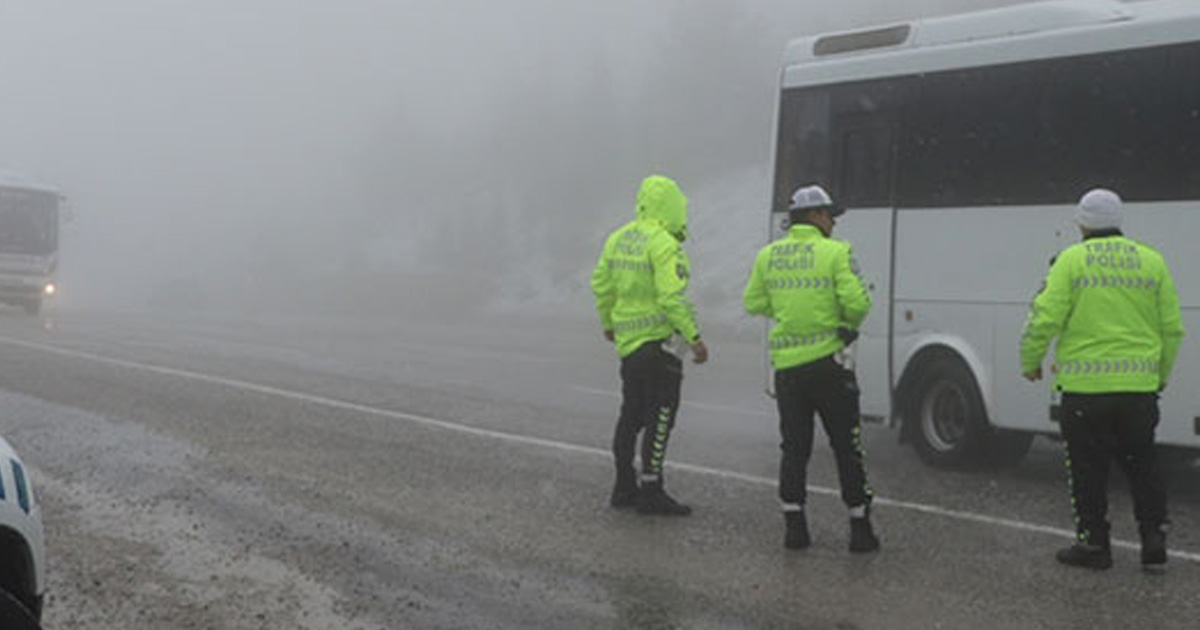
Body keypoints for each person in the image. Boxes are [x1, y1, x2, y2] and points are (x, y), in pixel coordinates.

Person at [1021, 188, 1185, 571]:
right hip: (1138, 393)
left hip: (1085, 394)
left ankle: (1094, 545)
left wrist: (1031, 361)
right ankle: (1153, 537)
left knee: (1087, 469)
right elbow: (1172, 329)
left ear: (1081, 222)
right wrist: (1159, 377)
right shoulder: (1152, 261)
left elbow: (1043, 318)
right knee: (1143, 463)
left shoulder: (1070, 261)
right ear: (1119, 220)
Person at [743, 184, 879, 552]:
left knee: (794, 449)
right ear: (816, 216)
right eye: (830, 215)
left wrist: (788, 312)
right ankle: (860, 529)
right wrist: (841, 323)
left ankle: (795, 528)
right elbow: (858, 303)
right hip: (830, 365)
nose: (833, 222)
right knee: (847, 447)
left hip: (788, 370)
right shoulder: (836, 253)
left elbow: (753, 302)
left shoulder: (768, 256)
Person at [591, 174, 708, 516]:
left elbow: (601, 285)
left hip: (629, 346)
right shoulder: (664, 244)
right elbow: (672, 297)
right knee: (660, 418)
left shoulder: (617, 238)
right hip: (660, 346)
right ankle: (651, 489)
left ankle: (623, 486)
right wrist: (695, 338)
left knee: (630, 416)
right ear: (673, 207)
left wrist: (609, 324)